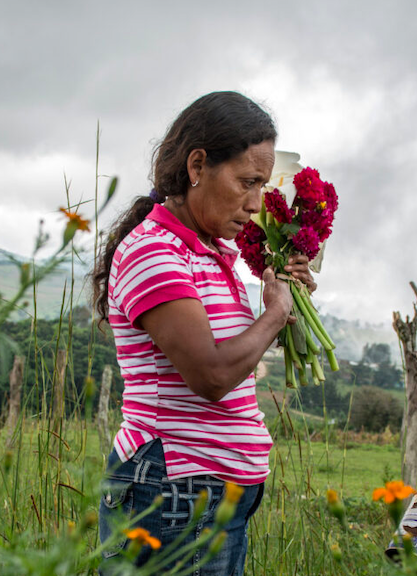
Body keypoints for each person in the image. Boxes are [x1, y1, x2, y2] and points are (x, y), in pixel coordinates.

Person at [91, 91, 317, 575]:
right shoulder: (155, 251)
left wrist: (285, 298)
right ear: (198, 165)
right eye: (247, 182)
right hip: (174, 489)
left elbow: (233, 352)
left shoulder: (213, 254)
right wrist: (274, 316)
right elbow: (212, 375)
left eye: (262, 184)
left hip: (213, 494)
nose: (256, 204)